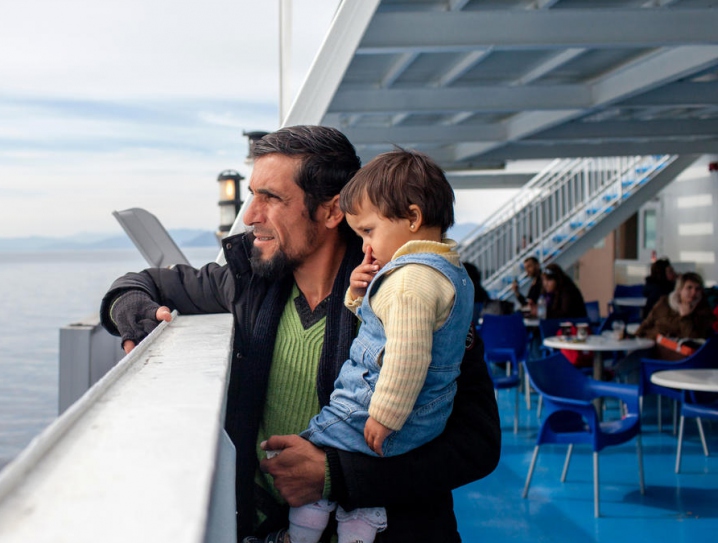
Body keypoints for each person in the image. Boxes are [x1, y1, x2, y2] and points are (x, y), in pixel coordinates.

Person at [99, 126, 501, 542]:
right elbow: (137, 284)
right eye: (252, 194)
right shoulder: (247, 282)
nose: (251, 215)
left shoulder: (412, 292)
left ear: (331, 212)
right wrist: (137, 316)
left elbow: (477, 444)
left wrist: (336, 476)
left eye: (270, 198)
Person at [257, 149, 474, 543]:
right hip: (424, 422)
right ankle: (360, 521)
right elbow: (388, 327)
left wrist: (385, 415)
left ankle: (301, 532)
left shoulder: (410, 282)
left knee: (304, 447)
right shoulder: (451, 274)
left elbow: (407, 356)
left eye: (369, 232)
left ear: (412, 217)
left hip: (379, 413)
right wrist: (361, 296)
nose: (366, 248)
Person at [635, 271, 715, 341]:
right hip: (650, 343)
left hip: (675, 353)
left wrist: (685, 317)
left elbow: (693, 340)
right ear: (680, 290)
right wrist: (635, 337)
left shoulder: (703, 310)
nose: (694, 292)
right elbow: (648, 322)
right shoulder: (665, 302)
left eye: (698, 289)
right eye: (689, 288)